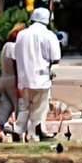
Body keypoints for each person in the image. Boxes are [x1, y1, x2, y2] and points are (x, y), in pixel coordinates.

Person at [14, 8, 62, 140]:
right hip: (41, 78)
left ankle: (18, 130)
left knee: (24, 107)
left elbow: (16, 54)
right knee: (39, 108)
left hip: (23, 77)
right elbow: (56, 57)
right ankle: (33, 133)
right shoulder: (49, 35)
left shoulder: (21, 34)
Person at [0, 25, 22, 138]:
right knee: (20, 105)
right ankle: (20, 131)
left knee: (6, 105)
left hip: (3, 78)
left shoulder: (5, 46)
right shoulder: (13, 47)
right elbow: (15, 64)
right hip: (12, 79)